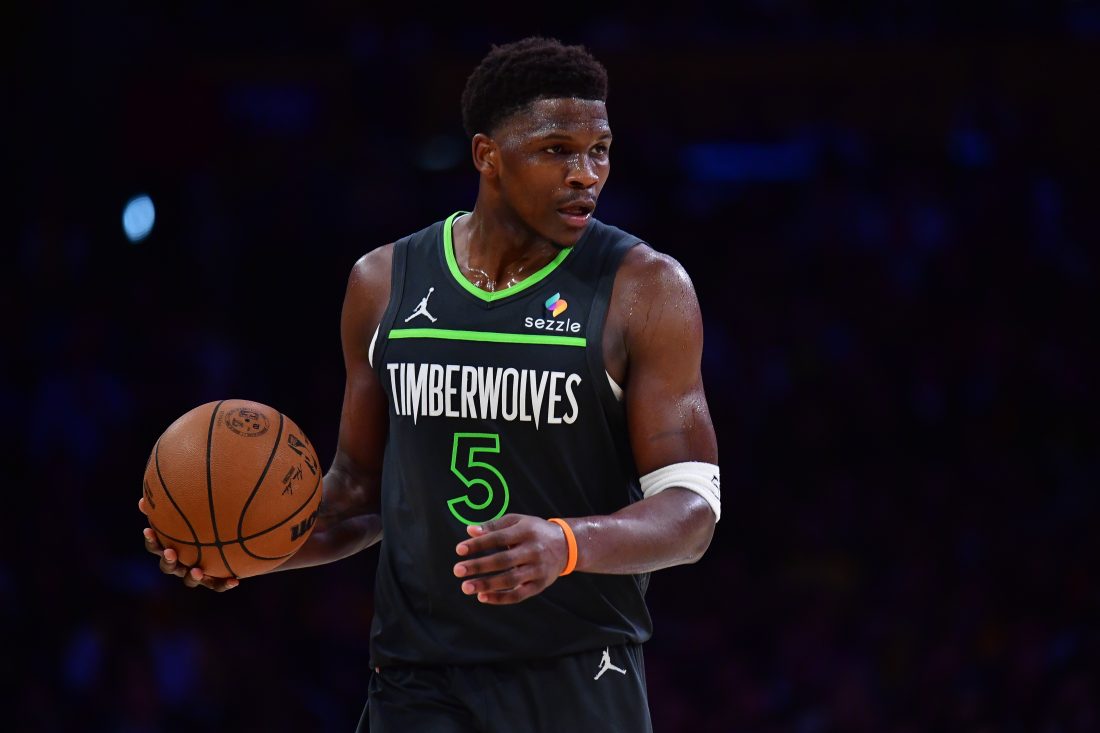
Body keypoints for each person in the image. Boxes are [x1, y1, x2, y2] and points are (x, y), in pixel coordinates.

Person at [140, 36, 720, 732]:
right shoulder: (382, 282)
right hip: (417, 681)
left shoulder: (645, 288)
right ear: (487, 157)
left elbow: (692, 511)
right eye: (556, 150)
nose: (585, 174)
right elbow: (360, 492)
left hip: (574, 674)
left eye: (599, 149)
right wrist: (250, 547)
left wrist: (567, 542)